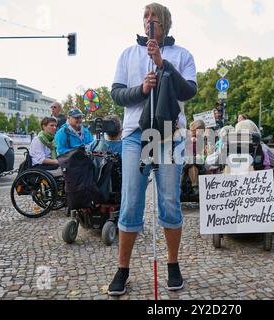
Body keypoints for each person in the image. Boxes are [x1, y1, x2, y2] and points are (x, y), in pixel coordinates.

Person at [108, 3, 197, 296]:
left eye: (154, 17)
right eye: (145, 16)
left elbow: (188, 91)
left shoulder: (182, 55)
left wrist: (162, 63)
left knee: (170, 201)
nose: (149, 21)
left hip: (170, 135)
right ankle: (123, 269)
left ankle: (173, 265)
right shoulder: (128, 53)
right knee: (131, 201)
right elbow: (118, 94)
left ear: (165, 24)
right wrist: (142, 90)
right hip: (136, 135)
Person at [182, 120, 206, 196]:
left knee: (194, 163)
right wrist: (189, 141)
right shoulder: (186, 136)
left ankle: (195, 186)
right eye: (198, 129)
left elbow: (202, 152)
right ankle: (179, 186)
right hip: (185, 158)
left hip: (196, 160)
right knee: (190, 163)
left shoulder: (201, 138)